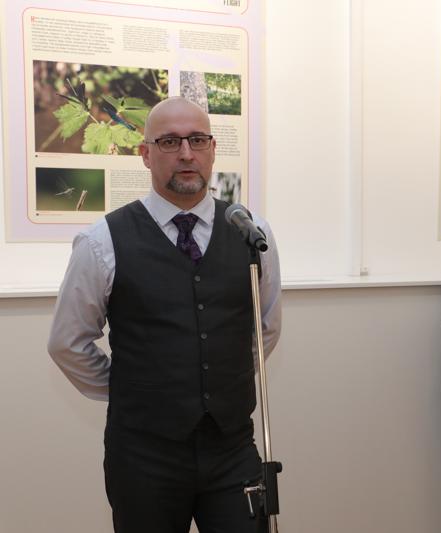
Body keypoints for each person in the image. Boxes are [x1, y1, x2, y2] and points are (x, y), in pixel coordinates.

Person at [47, 97, 282, 533]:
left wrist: (219, 381)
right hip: (143, 456)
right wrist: (133, 388)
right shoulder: (102, 241)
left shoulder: (252, 234)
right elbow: (67, 343)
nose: (186, 153)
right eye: (170, 142)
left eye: (198, 140)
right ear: (145, 153)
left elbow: (265, 328)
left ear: (213, 149)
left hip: (232, 451)